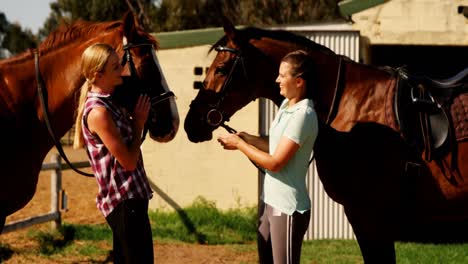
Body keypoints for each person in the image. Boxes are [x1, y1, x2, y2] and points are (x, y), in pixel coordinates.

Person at [217, 50, 318, 264]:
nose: (277, 80)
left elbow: (275, 163)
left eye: (282, 75)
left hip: (288, 208)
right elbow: (275, 147)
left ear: (299, 81)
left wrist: (241, 145)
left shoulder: (303, 115)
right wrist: (248, 138)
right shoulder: (285, 106)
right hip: (270, 202)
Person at [73, 43, 154, 264]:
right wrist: (138, 123)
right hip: (124, 203)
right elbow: (128, 162)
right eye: (116, 67)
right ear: (98, 75)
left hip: (131, 201)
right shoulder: (99, 113)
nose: (123, 70)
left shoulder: (110, 104)